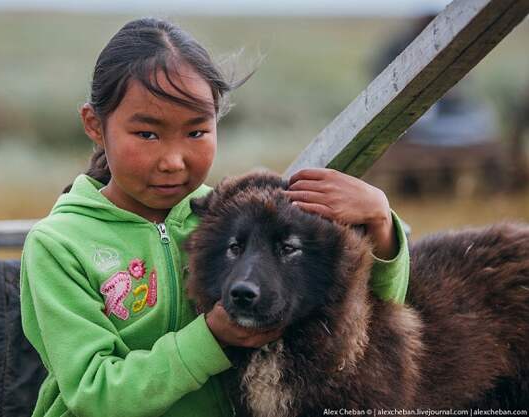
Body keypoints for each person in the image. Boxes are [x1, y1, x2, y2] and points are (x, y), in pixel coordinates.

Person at [20, 17, 410, 417]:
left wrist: (380, 223)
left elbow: (363, 319)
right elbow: (93, 392)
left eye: (196, 132)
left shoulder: (228, 217)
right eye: (147, 135)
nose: (173, 161)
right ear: (95, 126)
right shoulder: (59, 245)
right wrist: (209, 338)